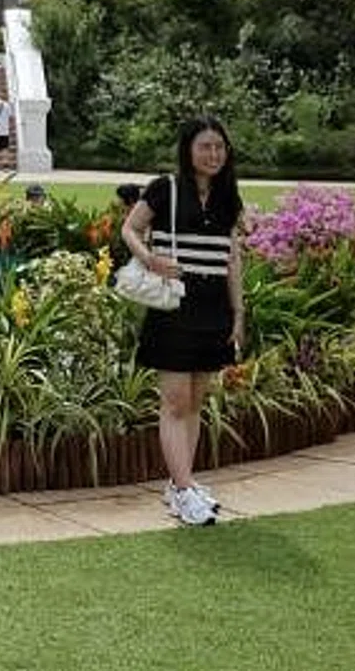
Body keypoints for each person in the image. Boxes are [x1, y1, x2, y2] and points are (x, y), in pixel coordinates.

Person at [122, 116, 245, 528]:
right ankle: (185, 487)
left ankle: (181, 486)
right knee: (174, 400)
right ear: (188, 150)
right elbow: (130, 228)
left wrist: (238, 313)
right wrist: (149, 258)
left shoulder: (229, 196)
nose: (213, 154)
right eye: (205, 146)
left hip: (213, 307)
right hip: (175, 303)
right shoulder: (166, 189)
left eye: (219, 147)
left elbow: (232, 258)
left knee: (195, 400)